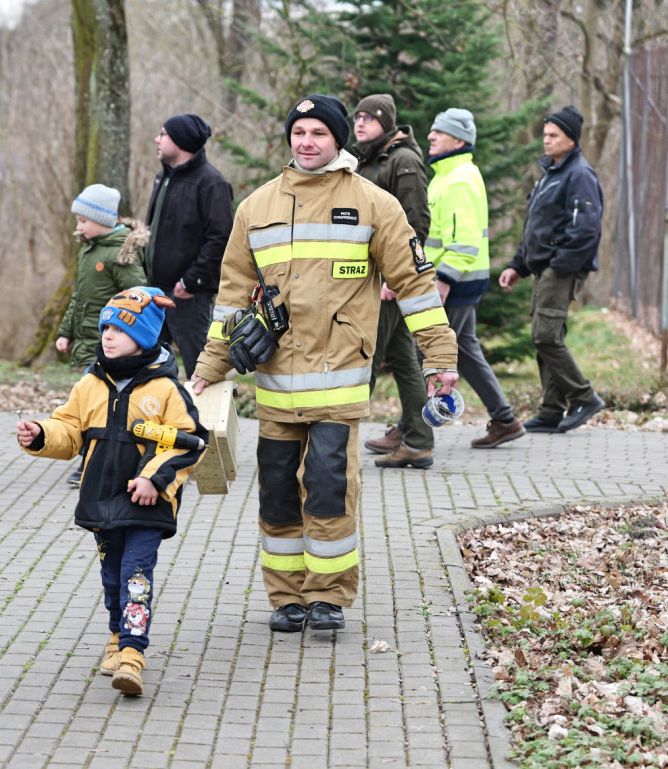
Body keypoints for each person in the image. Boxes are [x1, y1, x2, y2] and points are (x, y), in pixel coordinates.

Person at [191, 94, 459, 633]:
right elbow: (230, 298)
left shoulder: (375, 204)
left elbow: (415, 286)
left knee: (330, 486)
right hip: (275, 388)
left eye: (318, 133)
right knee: (278, 492)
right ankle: (286, 597)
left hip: (338, 388)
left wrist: (440, 359)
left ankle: (328, 597)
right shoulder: (256, 208)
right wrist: (209, 366)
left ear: (338, 140)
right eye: (299, 132)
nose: (307, 142)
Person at [17, 287, 207, 696]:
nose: (107, 335)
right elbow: (67, 430)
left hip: (148, 503)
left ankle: (133, 654)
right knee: (111, 575)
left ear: (145, 337)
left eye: (120, 328)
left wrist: (153, 480)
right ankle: (116, 637)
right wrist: (40, 435)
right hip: (102, 502)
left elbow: (189, 442)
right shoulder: (90, 382)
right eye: (105, 327)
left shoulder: (166, 389)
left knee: (135, 576)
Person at [499, 106, 605, 433]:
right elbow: (536, 225)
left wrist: (561, 266)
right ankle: (551, 409)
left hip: (561, 268)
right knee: (547, 335)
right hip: (544, 267)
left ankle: (585, 397)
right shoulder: (552, 172)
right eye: (545, 135)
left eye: (553, 135)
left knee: (545, 335)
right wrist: (518, 265)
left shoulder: (580, 175)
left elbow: (586, 229)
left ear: (570, 139)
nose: (545, 141)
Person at [425, 109, 525, 449]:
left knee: (430, 352)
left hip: (455, 282)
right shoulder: (447, 175)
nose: (431, 136)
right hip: (457, 280)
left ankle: (414, 427)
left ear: (459, 140)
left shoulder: (459, 179)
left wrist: (443, 280)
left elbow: (464, 242)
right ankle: (504, 419)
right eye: (433, 131)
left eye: (440, 132)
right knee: (464, 350)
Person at [350, 94, 436, 468]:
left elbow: (415, 224)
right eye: (357, 117)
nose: (360, 123)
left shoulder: (403, 161)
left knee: (362, 358)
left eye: (369, 118)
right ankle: (417, 441)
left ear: (386, 123)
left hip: (386, 282)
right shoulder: (369, 159)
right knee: (403, 360)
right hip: (369, 276)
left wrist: (395, 277)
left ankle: (335, 445)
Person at [56, 184, 149, 484]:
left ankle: (90, 465)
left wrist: (128, 338)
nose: (78, 226)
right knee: (92, 402)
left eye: (83, 220)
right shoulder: (88, 252)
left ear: (102, 220)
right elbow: (78, 297)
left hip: (111, 346)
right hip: (87, 342)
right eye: (78, 220)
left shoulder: (121, 254)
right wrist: (65, 331)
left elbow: (137, 298)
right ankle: (95, 461)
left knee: (98, 405)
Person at [145, 113, 234, 379]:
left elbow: (221, 238)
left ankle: (209, 421)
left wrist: (191, 281)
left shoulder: (211, 183)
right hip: (154, 293)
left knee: (200, 370)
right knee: (151, 367)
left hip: (189, 296)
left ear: (180, 141)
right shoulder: (164, 178)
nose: (157, 139)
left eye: (163, 134)